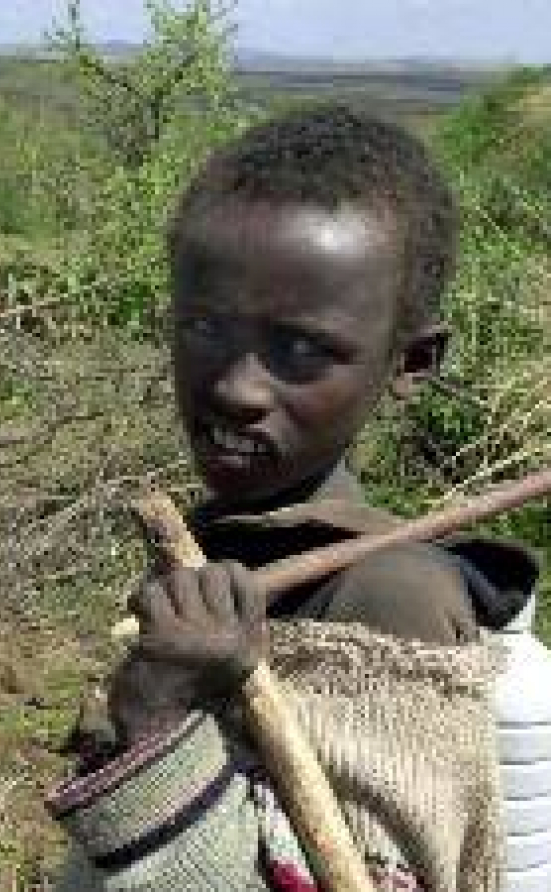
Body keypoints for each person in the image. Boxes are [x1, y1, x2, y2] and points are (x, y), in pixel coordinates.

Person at [47, 104, 540, 891]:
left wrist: (156, 715)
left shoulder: (386, 605)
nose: (237, 388)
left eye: (305, 349)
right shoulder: (237, 545)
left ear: (410, 363)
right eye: (204, 327)